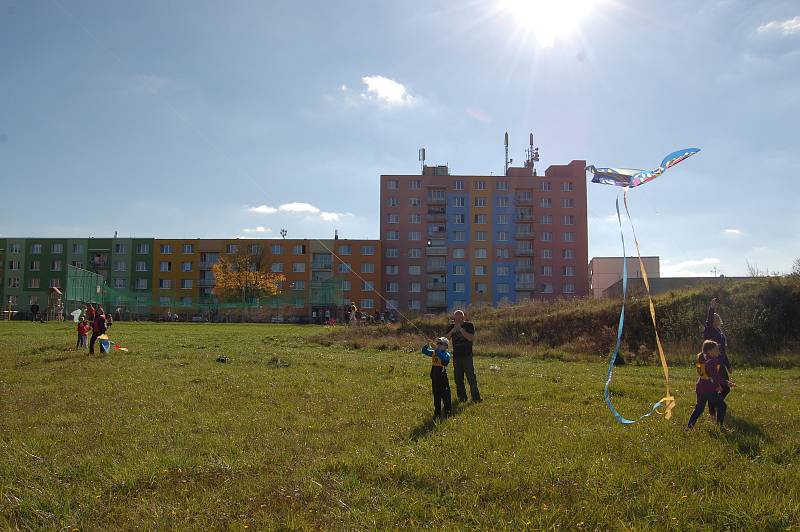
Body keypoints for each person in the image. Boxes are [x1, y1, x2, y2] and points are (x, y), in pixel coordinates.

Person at [687, 340, 732, 428]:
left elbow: (706, 377)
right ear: (709, 352)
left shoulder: (702, 359)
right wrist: (726, 383)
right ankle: (720, 427)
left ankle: (689, 426)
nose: (719, 351)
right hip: (709, 390)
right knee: (722, 406)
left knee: (699, 409)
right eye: (716, 350)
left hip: (700, 389)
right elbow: (715, 377)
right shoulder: (712, 361)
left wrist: (717, 384)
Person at [446, 310, 482, 403]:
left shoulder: (469, 325)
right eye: (456, 317)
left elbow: (470, 338)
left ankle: (476, 398)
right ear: (454, 318)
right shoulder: (451, 327)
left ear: (463, 317)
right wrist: (453, 331)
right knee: (458, 379)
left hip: (467, 356)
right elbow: (445, 340)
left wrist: (461, 329)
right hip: (456, 357)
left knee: (471, 378)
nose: (457, 319)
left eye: (459, 317)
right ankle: (462, 398)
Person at [703, 298, 731, 417]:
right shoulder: (709, 330)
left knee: (726, 388)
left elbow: (723, 350)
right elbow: (708, 320)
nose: (715, 319)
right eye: (713, 318)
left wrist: (728, 365)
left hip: (721, 362)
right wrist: (712, 308)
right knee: (713, 387)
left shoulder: (719, 331)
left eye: (716, 317)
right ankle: (712, 412)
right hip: (711, 363)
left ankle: (716, 403)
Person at [421, 337, 452, 420]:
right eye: (437, 343)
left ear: (446, 346)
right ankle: (437, 413)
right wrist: (427, 344)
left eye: (440, 343)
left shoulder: (447, 354)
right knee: (436, 396)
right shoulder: (434, 352)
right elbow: (424, 351)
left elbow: (444, 358)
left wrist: (436, 349)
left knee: (445, 395)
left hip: (442, 378)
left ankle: (447, 412)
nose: (438, 345)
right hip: (435, 377)